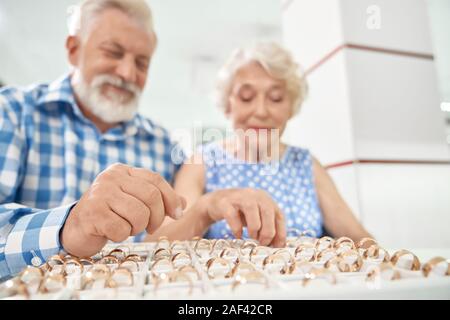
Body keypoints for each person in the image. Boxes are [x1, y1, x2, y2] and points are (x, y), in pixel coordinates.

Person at [0, 0, 285, 279]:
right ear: (74, 50)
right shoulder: (12, 114)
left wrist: (207, 207)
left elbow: (175, 237)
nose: (127, 73)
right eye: (113, 52)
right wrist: (67, 227)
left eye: (141, 63)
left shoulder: (163, 146)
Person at [150, 42, 372, 243]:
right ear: (228, 105)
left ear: (291, 107)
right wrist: (205, 209)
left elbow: (363, 243)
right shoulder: (201, 163)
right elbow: (157, 245)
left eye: (275, 98)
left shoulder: (307, 165)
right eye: (246, 97)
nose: (261, 111)